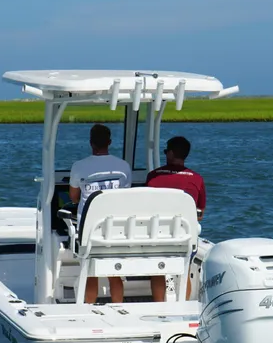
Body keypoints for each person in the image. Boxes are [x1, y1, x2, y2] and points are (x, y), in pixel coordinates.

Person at [69, 123, 132, 303]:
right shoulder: (123, 166)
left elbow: (74, 198)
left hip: (89, 227)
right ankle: (118, 307)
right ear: (110, 142)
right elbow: (125, 196)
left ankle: (88, 308)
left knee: (90, 271)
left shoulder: (79, 166)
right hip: (115, 227)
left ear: (91, 143)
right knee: (114, 272)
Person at [145, 136, 206, 302]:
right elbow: (200, 213)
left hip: (158, 236)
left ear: (170, 153)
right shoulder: (197, 179)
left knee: (157, 270)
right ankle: (182, 305)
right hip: (184, 237)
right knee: (185, 269)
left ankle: (159, 305)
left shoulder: (153, 177)